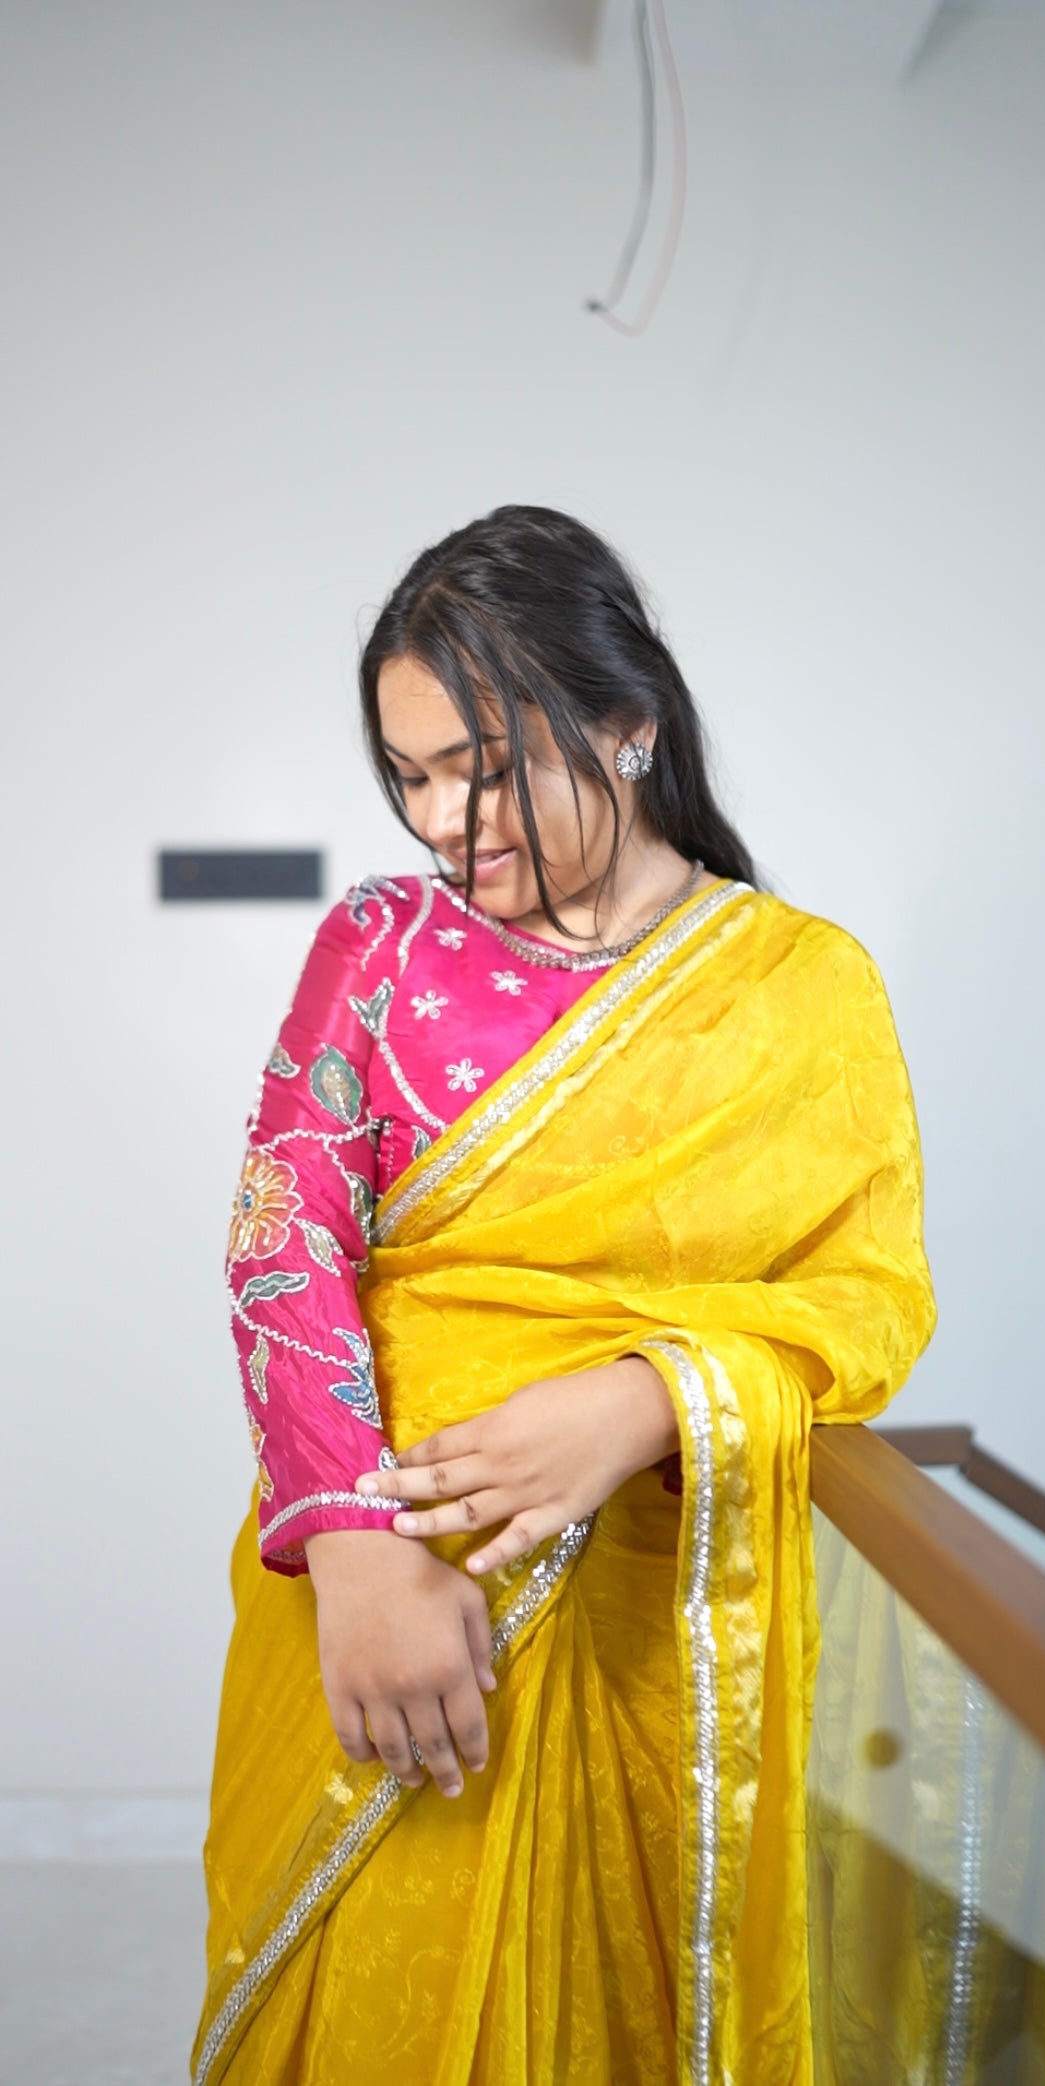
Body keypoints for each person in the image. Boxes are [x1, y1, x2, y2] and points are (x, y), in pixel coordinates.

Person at [192, 505, 936, 2086]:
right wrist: (357, 1556)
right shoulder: (380, 945)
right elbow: (280, 1236)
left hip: (643, 1636)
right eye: (409, 776)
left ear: (628, 724)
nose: (444, 822)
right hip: (378, 1602)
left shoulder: (801, 989)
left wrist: (643, 1400)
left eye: (483, 767)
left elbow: (869, 1300)